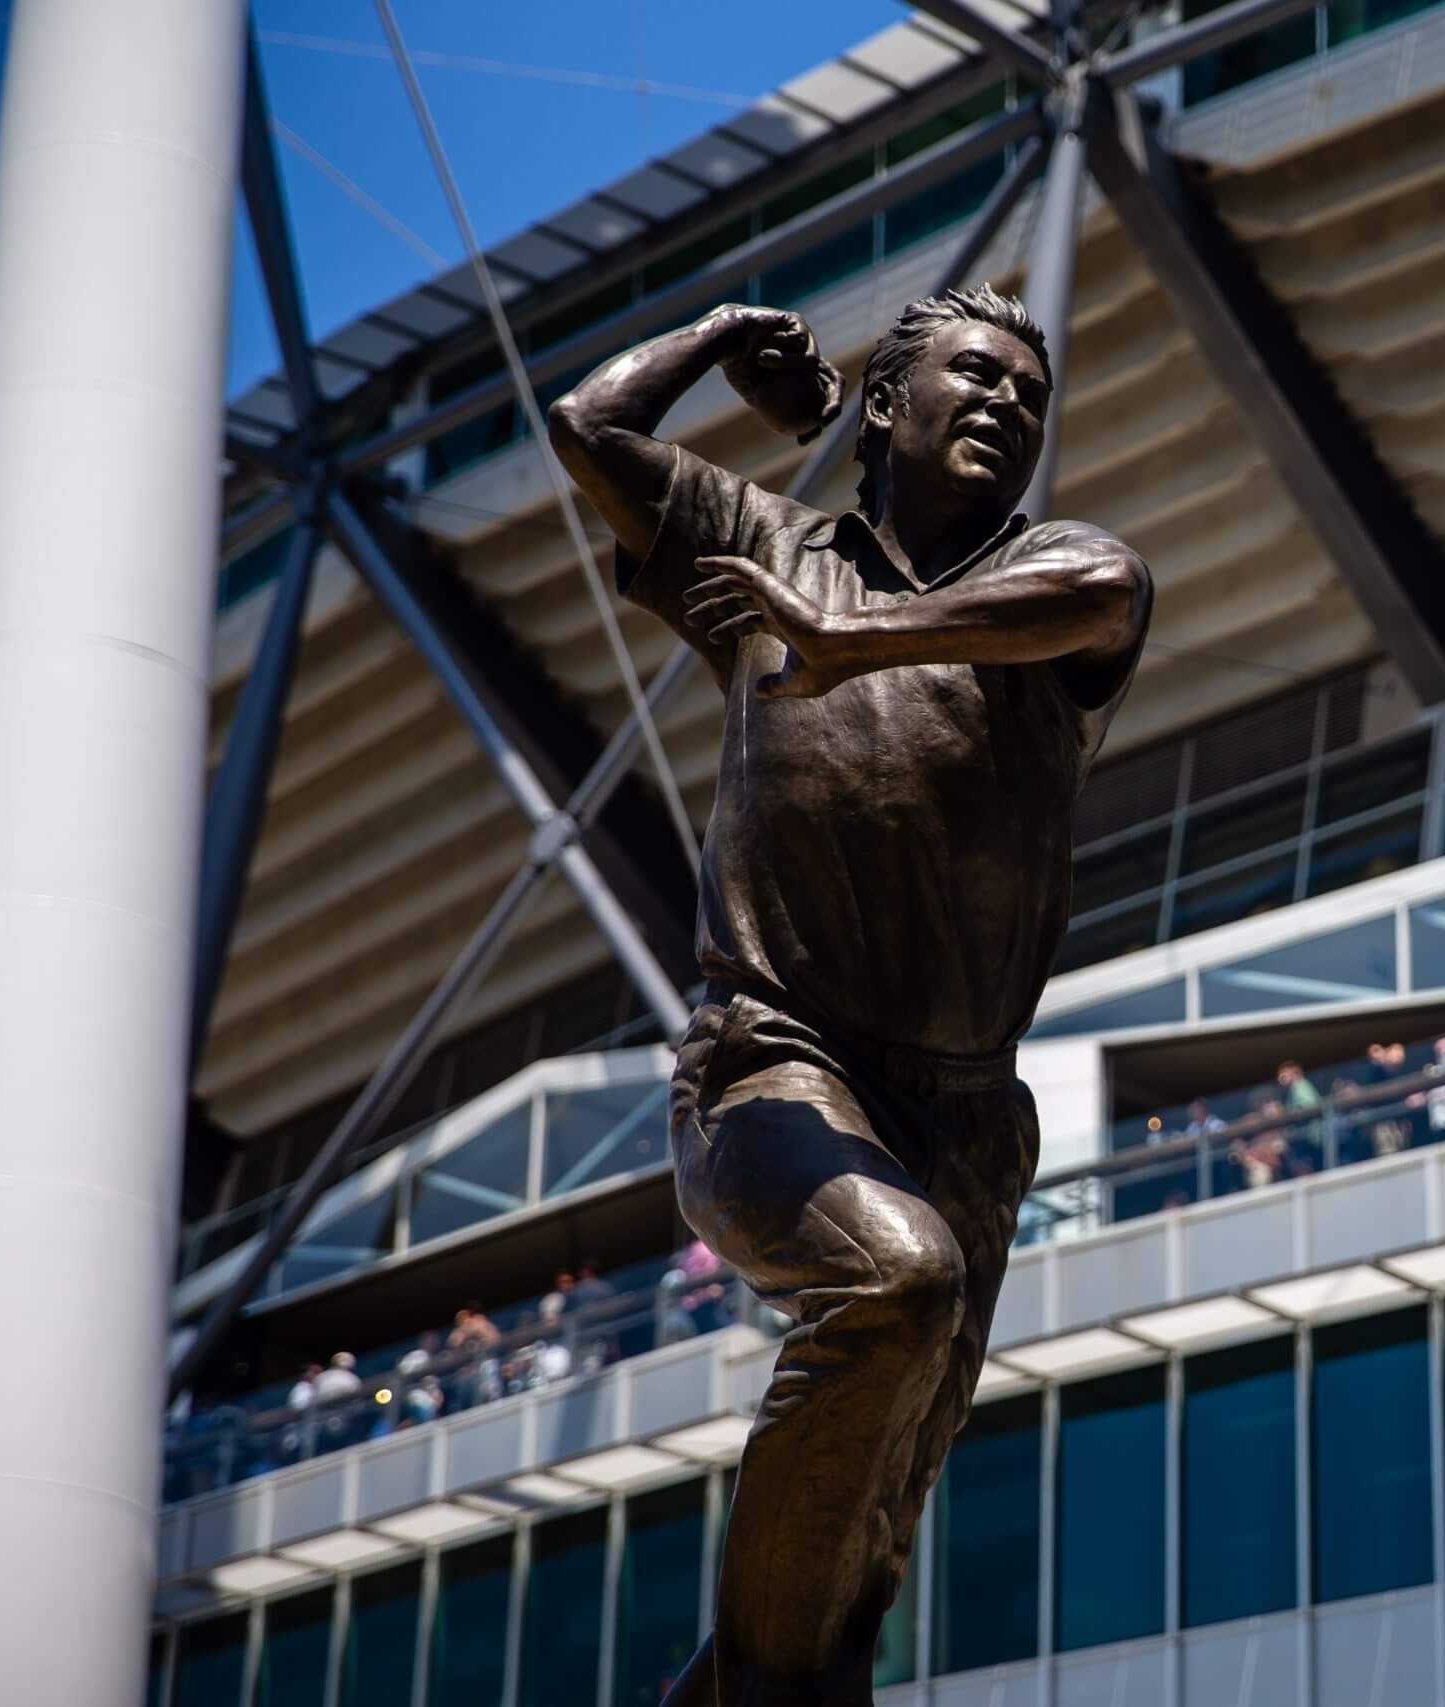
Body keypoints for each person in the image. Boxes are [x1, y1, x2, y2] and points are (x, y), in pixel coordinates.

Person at [553, 279, 1155, 1706]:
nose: (1008, 399)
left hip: (965, 1118)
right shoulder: (768, 544)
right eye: (974, 371)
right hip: (773, 1059)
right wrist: (716, 332)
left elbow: (1107, 591)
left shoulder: (1050, 567)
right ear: (886, 401)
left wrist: (853, 643)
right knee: (895, 1284)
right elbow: (587, 426)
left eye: (1031, 388)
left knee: (870, 1531)